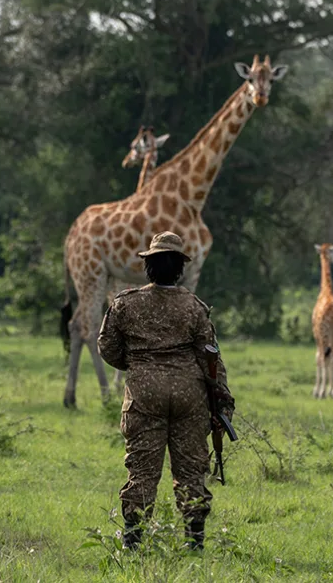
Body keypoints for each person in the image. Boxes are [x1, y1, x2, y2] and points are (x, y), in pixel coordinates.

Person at [97, 231, 235, 551]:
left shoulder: (125, 303)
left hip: (144, 395)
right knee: (190, 467)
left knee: (142, 468)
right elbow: (210, 357)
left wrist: (138, 365)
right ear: (180, 269)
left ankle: (133, 542)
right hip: (190, 394)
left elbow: (107, 347)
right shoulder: (194, 307)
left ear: (148, 267)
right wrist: (224, 400)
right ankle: (194, 543)